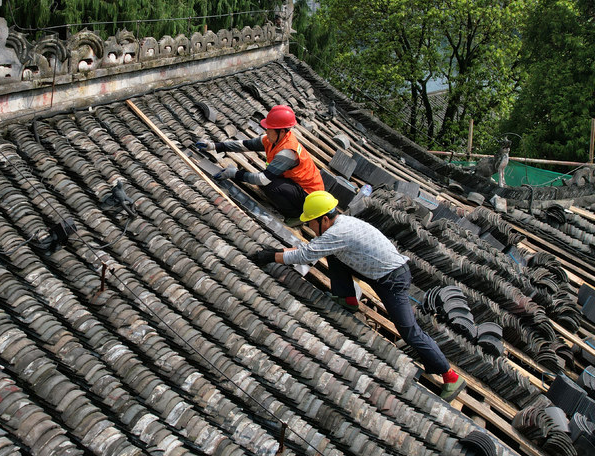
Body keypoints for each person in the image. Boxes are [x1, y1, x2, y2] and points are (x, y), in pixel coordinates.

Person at [250, 190, 465, 401]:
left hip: (392, 280)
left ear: (324, 219)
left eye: (311, 223)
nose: (310, 227)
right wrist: (278, 253)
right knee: (333, 255)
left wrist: (272, 256)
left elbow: (305, 255)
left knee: (409, 331)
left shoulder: (337, 233)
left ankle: (449, 375)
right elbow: (312, 249)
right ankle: (348, 299)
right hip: (378, 272)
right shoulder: (340, 224)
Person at [195, 104, 324, 222]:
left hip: (309, 197)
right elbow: (245, 145)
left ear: (282, 131)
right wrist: (215, 146)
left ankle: (295, 215)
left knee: (270, 185)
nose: (266, 131)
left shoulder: (288, 152)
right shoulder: (273, 138)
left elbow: (263, 179)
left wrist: (235, 174)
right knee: (265, 182)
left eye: (270, 129)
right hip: (297, 185)